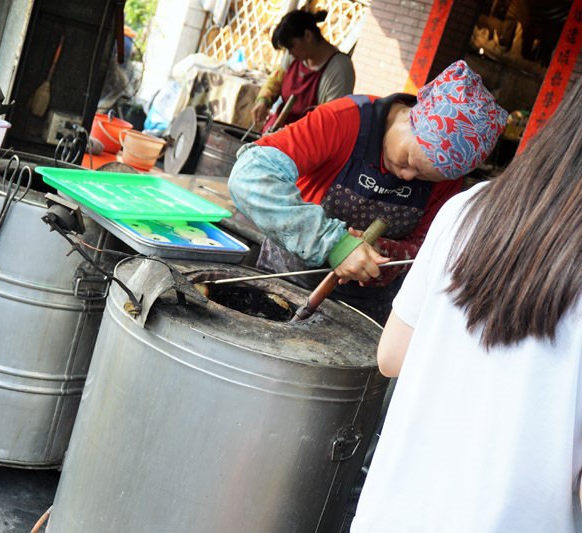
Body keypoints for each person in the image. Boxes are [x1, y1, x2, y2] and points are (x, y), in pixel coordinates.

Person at [351, 76, 582, 533]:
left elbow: (392, 354)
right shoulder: (351, 120)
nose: (411, 176)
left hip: (394, 515)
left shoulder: (467, 207)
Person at [227, 60, 507, 324]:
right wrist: (332, 243)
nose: (408, 177)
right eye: (410, 160)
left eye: (423, 176)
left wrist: (383, 254)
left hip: (363, 312)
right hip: (286, 281)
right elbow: (249, 176)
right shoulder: (344, 120)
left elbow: (426, 246)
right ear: (410, 117)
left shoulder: (445, 176)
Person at [251, 9, 355, 133]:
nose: (289, 53)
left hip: (304, 141)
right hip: (275, 132)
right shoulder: (294, 56)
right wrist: (263, 101)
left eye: (291, 46)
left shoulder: (340, 69)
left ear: (308, 36)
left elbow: (330, 121)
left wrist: (290, 134)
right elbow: (275, 80)